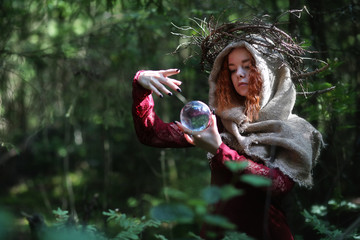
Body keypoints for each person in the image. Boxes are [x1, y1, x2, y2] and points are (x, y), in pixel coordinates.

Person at [132, 29, 323, 239]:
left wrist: (219, 150)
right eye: (232, 70)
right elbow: (152, 134)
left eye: (248, 67)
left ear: (267, 70)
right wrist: (142, 84)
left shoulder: (294, 130)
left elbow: (277, 186)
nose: (239, 74)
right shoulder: (219, 121)